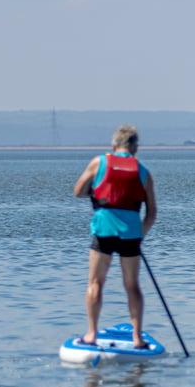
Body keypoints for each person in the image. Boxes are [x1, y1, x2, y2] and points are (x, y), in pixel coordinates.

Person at [72, 125, 157, 348]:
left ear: (113, 146)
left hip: (104, 230)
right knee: (132, 285)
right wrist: (140, 234)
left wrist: (95, 190)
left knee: (95, 283)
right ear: (135, 148)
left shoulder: (99, 162)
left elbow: (78, 191)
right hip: (130, 234)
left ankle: (91, 334)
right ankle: (137, 337)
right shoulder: (144, 171)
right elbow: (152, 213)